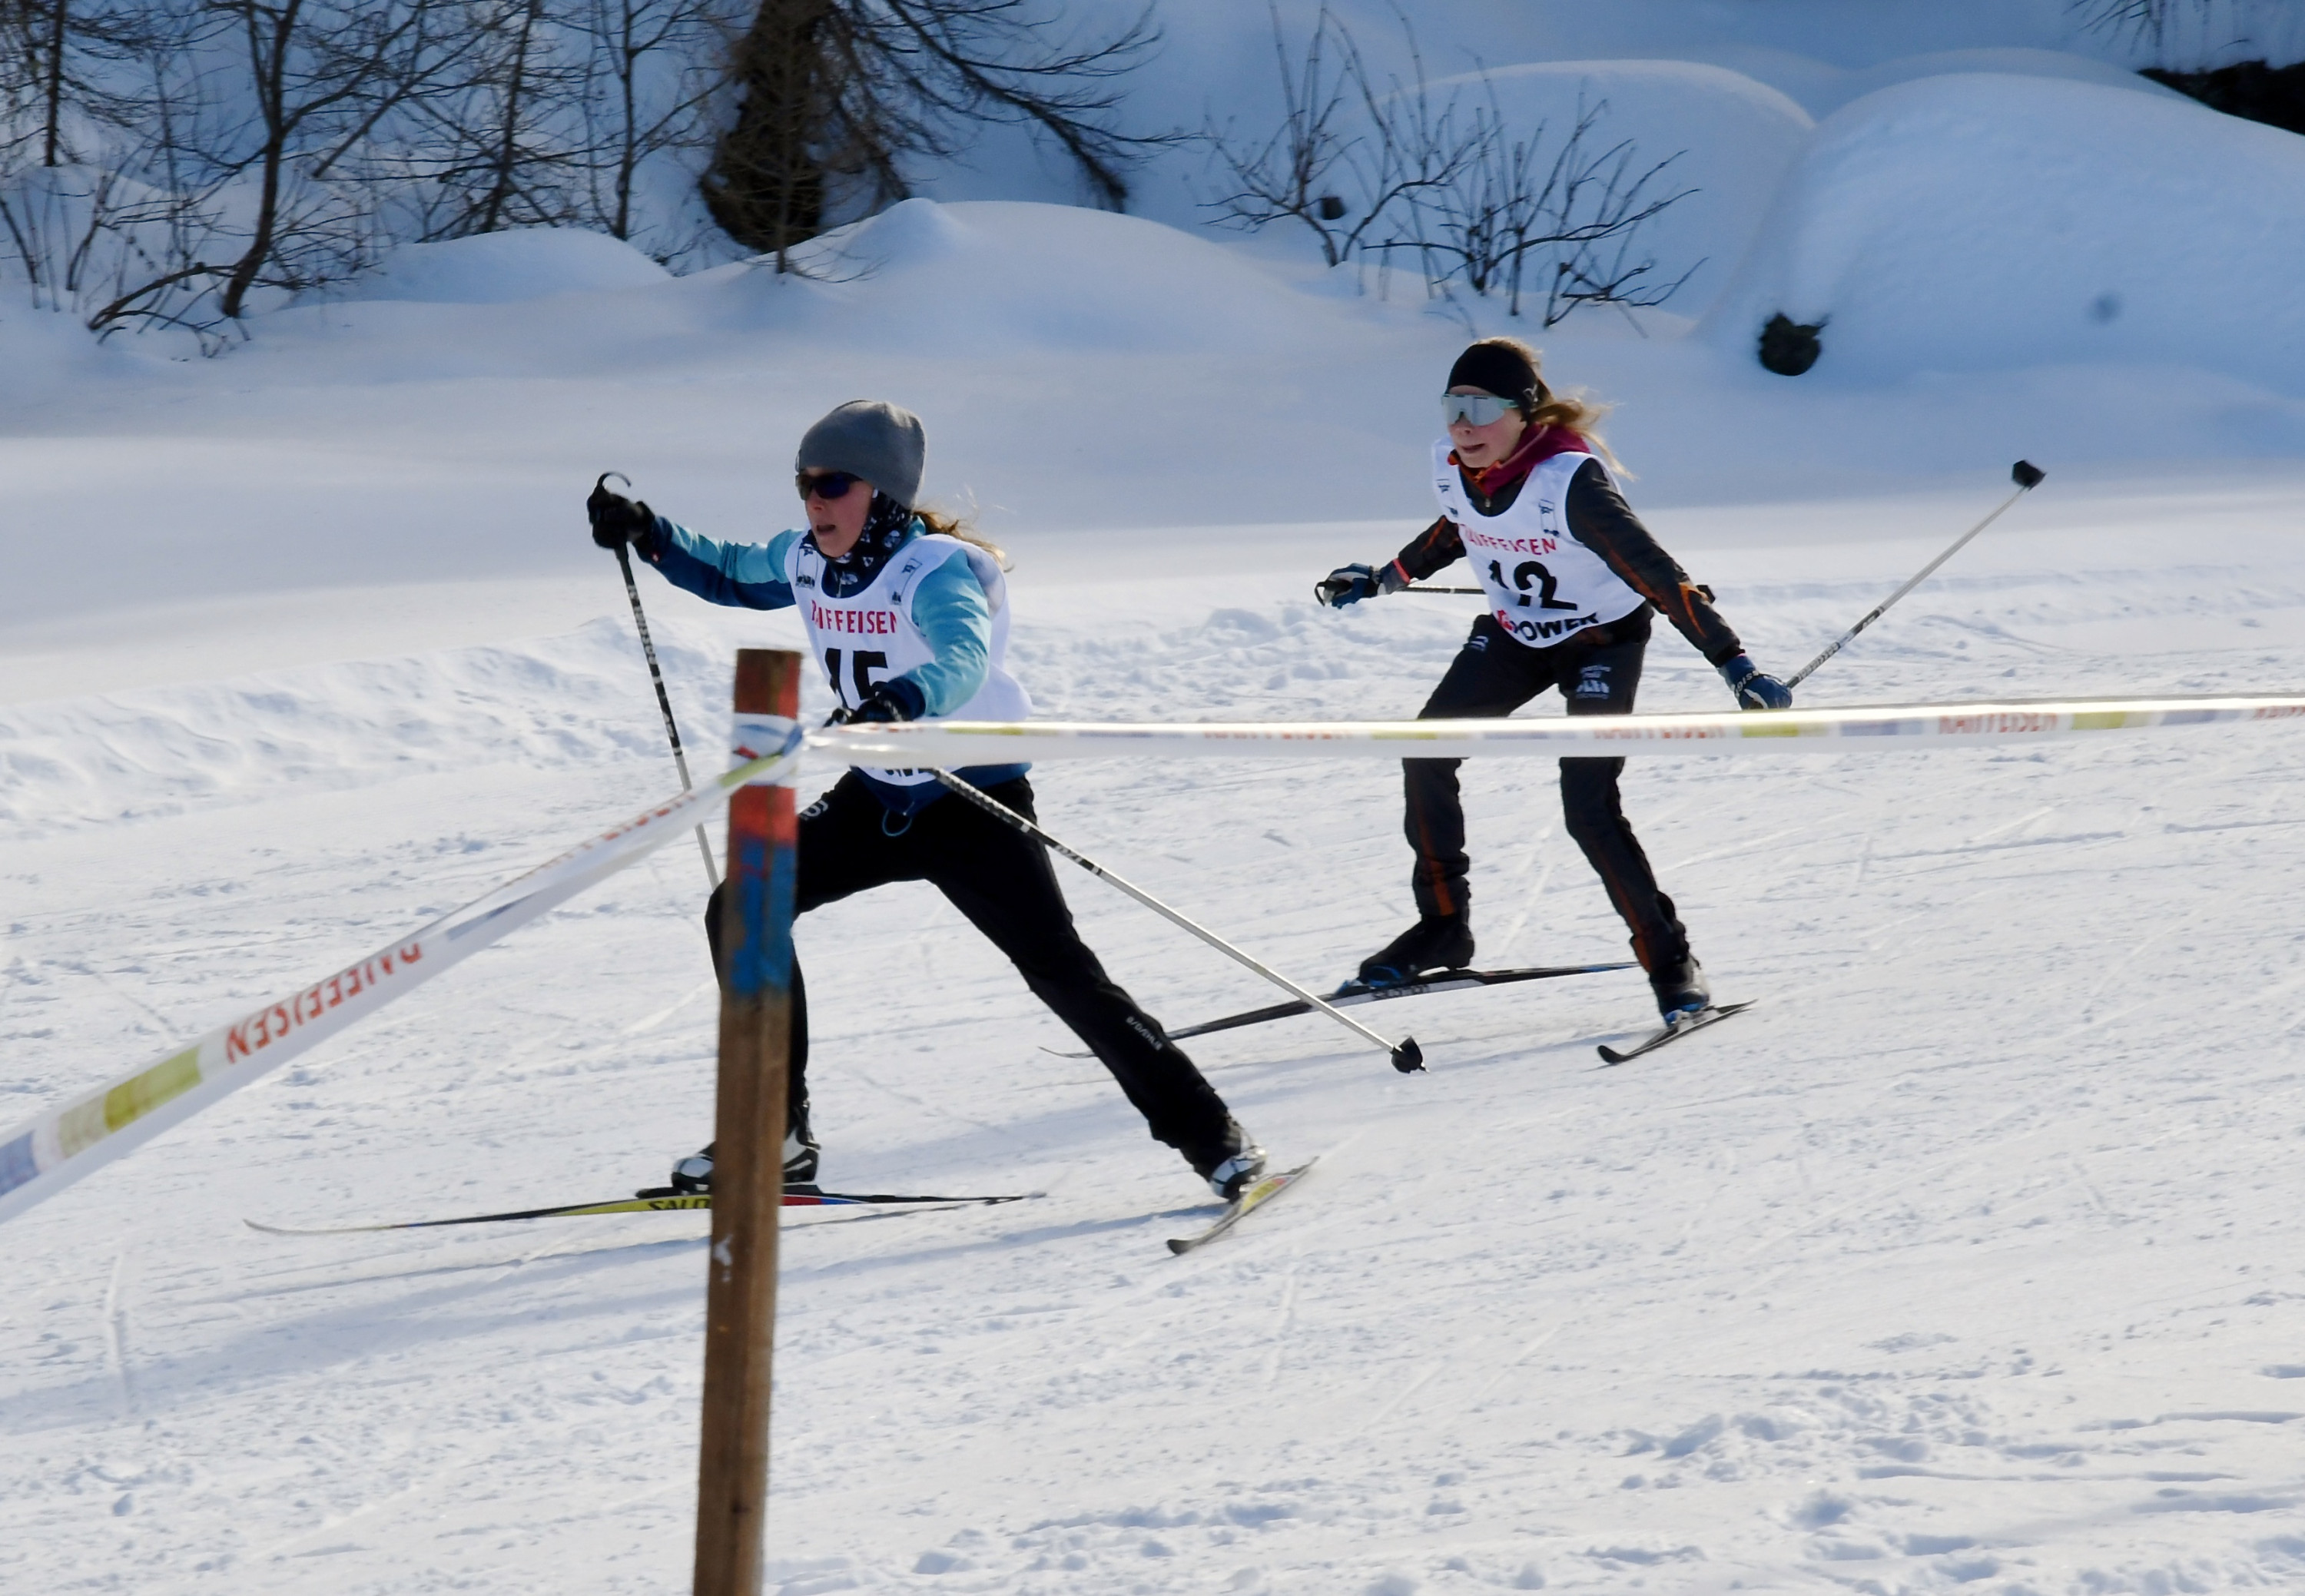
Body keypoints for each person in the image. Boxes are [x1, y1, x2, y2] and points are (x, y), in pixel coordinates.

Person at [587, 400, 1266, 1199]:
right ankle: (775, 1133)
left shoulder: (933, 569)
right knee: (742, 905)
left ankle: (1213, 1137)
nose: (814, 501)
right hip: (878, 795)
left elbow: (963, 656)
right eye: (804, 483)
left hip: (969, 798)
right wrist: (650, 534)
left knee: (1061, 972)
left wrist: (905, 699)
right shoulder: (805, 558)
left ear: (881, 491)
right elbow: (732, 571)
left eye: (833, 484)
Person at [1315, 337, 1793, 1024]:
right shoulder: (1454, 466)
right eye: (1452, 407)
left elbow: (1658, 574)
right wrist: (1387, 576)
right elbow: (1459, 526)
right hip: (1516, 637)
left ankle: (1671, 962)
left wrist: (1734, 663)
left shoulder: (1571, 483)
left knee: (1587, 804)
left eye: (1481, 408)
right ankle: (1443, 927)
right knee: (1425, 750)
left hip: (1602, 643)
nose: (1463, 425)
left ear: (1523, 413)